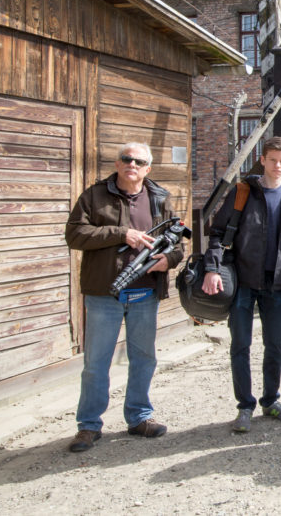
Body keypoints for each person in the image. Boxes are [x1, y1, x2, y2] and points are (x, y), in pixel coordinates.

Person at [64, 143, 185, 452]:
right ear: (117, 164)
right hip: (104, 293)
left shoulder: (159, 199)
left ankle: (139, 417)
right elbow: (75, 235)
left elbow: (178, 245)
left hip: (145, 292)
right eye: (126, 159)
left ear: (147, 168)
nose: (132, 164)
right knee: (96, 362)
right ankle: (89, 425)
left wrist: (166, 262)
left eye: (139, 161)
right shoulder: (94, 196)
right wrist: (122, 234)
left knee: (143, 358)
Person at [203, 136, 281, 433]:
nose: (279, 166)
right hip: (244, 281)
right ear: (262, 159)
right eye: (274, 160)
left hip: (278, 284)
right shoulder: (242, 191)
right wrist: (212, 268)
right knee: (241, 345)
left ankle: (271, 400)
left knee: (275, 346)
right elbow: (217, 233)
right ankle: (244, 406)